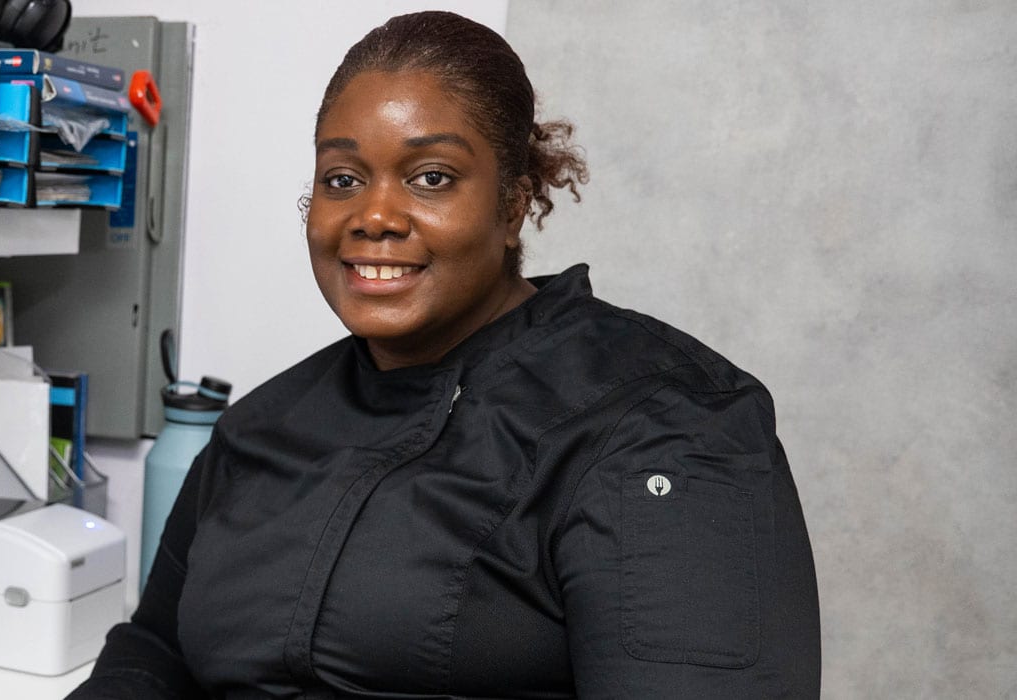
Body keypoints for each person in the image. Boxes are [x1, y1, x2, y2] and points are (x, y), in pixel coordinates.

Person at [68, 11, 820, 699]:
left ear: (514, 199)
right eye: (343, 179)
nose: (374, 217)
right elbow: (154, 648)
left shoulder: (667, 426)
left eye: (431, 177)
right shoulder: (259, 429)